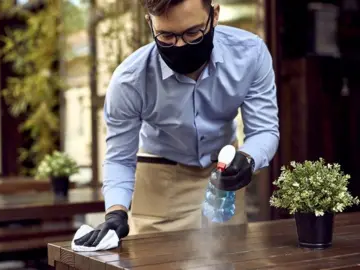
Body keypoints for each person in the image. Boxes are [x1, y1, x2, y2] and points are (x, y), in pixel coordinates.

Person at [74, 0, 279, 247]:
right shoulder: (130, 80)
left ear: (214, 15)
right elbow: (119, 157)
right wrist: (116, 211)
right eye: (167, 36)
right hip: (161, 182)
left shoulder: (250, 54)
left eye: (193, 33)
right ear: (150, 23)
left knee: (229, 259)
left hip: (224, 179)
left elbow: (264, 130)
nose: (180, 45)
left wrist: (248, 158)